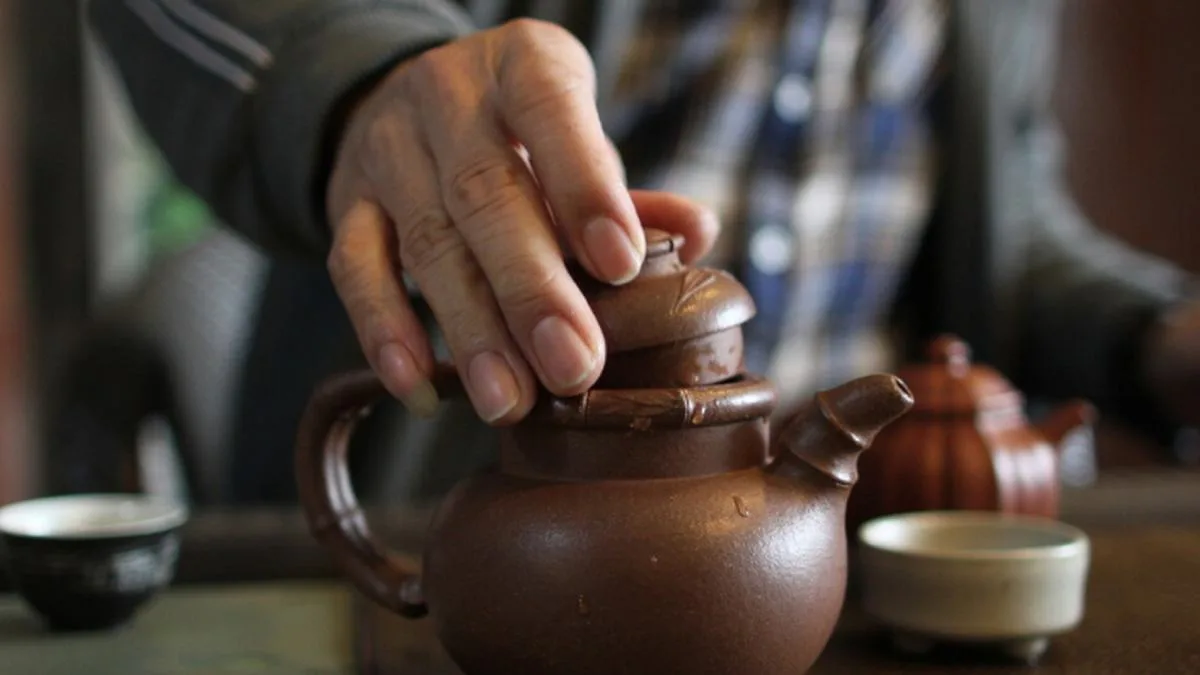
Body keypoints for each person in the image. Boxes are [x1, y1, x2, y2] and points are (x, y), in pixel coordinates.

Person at [86, 0, 1199, 504]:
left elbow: (1010, 242)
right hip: (514, 539)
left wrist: (1160, 333)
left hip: (864, 560)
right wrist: (366, 81)